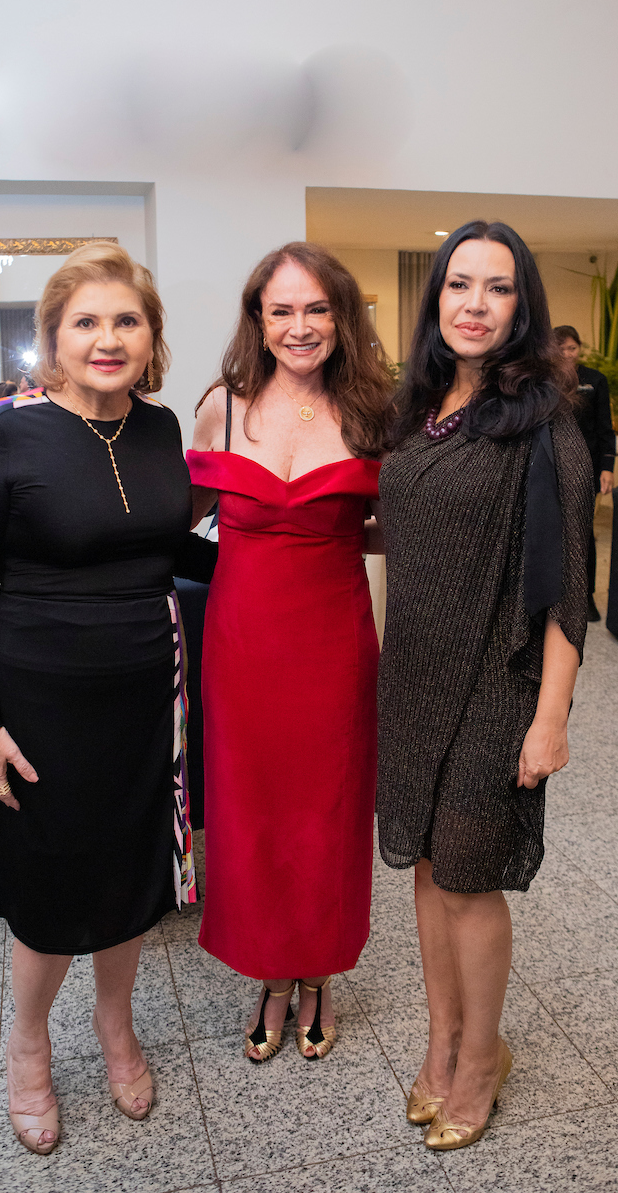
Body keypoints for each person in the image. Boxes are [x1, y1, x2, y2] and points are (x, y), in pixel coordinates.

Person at [0, 241, 214, 1156]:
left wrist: (286, 543)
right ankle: (27, 1047)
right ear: (52, 338)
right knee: (53, 887)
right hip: (39, 703)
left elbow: (175, 553)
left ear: (150, 336)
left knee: (133, 877)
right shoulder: (3, 430)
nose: (108, 338)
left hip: (147, 691)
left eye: (126, 320)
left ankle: (116, 1026)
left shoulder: (162, 428)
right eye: (85, 322)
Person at [377, 220, 593, 1151]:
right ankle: (442, 1043)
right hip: (414, 676)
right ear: (436, 302)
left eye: (496, 288)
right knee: (427, 871)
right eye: (458, 285)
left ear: (521, 307)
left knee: (468, 880)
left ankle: (480, 1059)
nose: (473, 303)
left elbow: (568, 591)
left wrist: (551, 718)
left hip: (497, 684)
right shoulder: (414, 410)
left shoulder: (545, 426)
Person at [188, 241, 392, 1063]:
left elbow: (395, 525)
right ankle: (270, 972)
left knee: (327, 811)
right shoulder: (221, 408)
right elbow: (171, 519)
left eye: (317, 309)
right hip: (240, 645)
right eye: (282, 310)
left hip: (334, 642)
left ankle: (317, 971)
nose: (300, 326)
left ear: (342, 317)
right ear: (258, 319)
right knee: (251, 810)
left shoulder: (375, 412)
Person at [553, 325, 615, 622]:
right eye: (561, 348)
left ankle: (585, 595)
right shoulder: (542, 379)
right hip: (549, 468)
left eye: (572, 348)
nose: (567, 354)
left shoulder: (595, 380)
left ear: (580, 349)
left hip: (586, 468)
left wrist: (607, 467)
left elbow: (606, 427)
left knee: (582, 532)